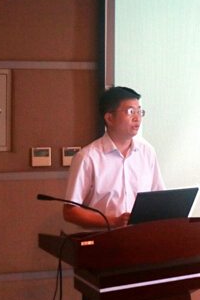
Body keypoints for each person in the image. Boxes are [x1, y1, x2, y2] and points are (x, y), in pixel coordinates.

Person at [64, 86, 165, 228]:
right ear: (109, 118)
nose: (137, 118)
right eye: (130, 112)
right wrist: (114, 221)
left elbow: (159, 199)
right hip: (103, 238)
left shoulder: (147, 153)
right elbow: (71, 212)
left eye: (139, 111)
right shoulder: (87, 157)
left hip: (141, 237)